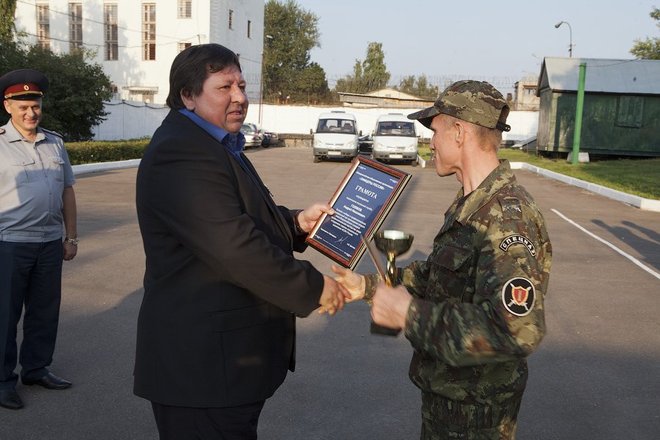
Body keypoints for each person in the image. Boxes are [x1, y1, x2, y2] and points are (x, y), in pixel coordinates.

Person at [134, 43, 348, 440]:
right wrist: (315, 286)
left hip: (223, 367)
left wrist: (296, 223)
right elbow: (235, 246)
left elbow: (241, 217)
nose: (240, 97)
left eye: (242, 86)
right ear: (187, 95)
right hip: (202, 371)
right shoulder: (181, 152)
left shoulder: (213, 143)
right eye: (224, 87)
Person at [334, 80, 552, 439]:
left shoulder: (507, 217)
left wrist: (409, 313)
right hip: (449, 405)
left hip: (477, 420)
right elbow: (437, 276)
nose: (430, 142)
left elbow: (517, 330)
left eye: (435, 131)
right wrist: (367, 287)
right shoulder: (472, 204)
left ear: (460, 132)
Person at [0, 69, 78, 410]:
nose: (31, 113)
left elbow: (67, 190)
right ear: (8, 106)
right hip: (9, 242)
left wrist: (71, 236)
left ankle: (35, 369)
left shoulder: (55, 142)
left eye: (35, 106)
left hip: (49, 242)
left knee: (45, 312)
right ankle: (2, 381)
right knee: (5, 316)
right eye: (23, 107)